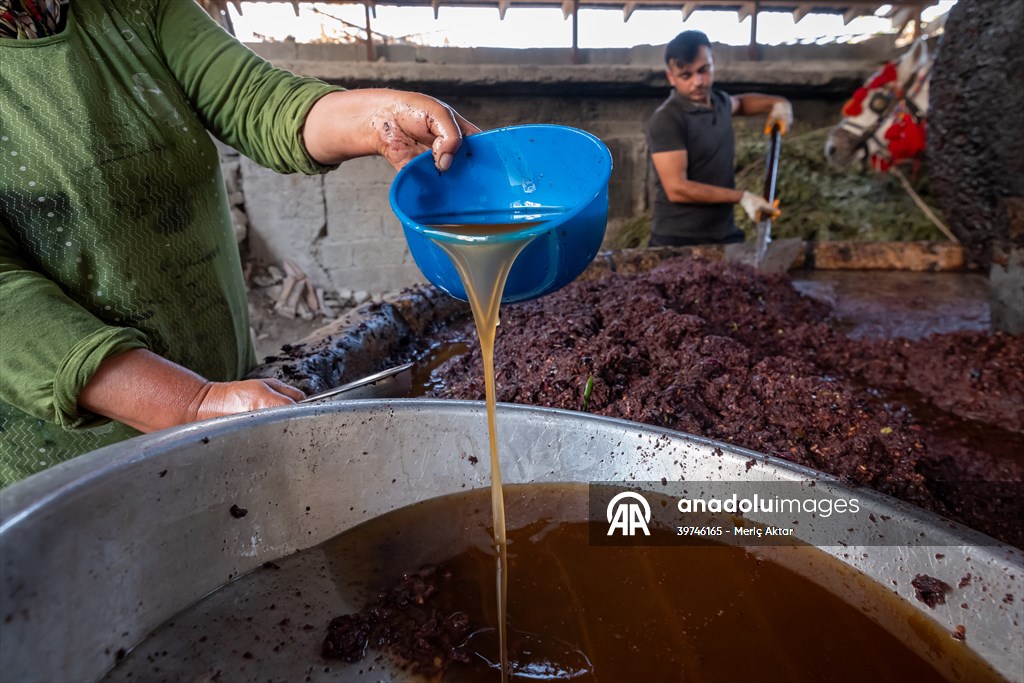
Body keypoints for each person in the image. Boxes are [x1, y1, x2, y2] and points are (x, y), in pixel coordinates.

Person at [0, 0, 480, 486]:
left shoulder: (131, 7)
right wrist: (190, 403)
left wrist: (383, 117)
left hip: (228, 389)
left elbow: (254, 98)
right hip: (70, 460)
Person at [646, 30, 793, 246]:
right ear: (671, 77)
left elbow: (741, 104)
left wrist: (778, 103)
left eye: (703, 70)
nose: (697, 82)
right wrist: (741, 197)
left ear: (713, 62)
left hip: (722, 234)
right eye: (686, 76)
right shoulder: (667, 119)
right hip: (679, 239)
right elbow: (677, 188)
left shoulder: (719, 102)